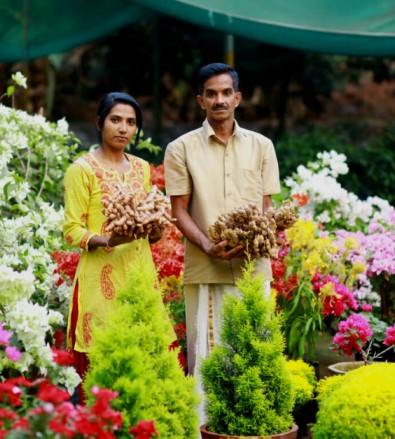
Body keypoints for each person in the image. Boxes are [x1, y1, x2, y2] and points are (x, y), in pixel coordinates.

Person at [163, 63, 280, 421]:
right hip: (206, 267)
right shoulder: (180, 148)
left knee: (252, 352)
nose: (219, 100)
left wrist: (251, 241)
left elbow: (266, 207)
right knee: (208, 358)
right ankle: (206, 428)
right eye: (211, 94)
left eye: (226, 92)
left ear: (238, 98)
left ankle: (251, 423)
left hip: (252, 268)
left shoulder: (262, 147)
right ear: (200, 101)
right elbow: (179, 211)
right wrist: (207, 245)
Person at [63, 92, 165, 399]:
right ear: (99, 123)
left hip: (139, 276)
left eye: (131, 122)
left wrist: (156, 230)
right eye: (115, 120)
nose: (123, 128)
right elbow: (71, 230)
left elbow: (144, 219)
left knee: (144, 363)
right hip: (99, 280)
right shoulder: (82, 170)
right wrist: (108, 239)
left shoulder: (142, 168)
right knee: (102, 367)